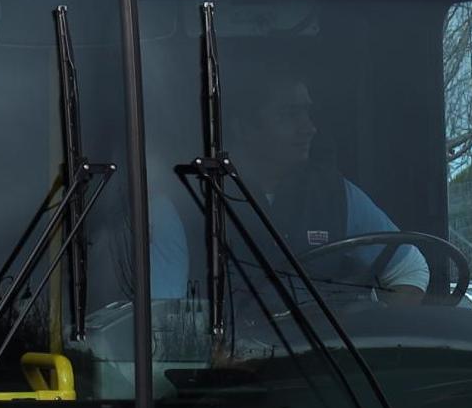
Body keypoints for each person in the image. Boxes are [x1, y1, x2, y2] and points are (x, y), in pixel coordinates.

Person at [151, 71, 429, 305]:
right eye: (289, 115)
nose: (309, 128)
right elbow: (164, 321)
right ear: (243, 127)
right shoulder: (181, 207)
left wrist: (370, 338)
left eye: (307, 113)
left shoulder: (336, 195)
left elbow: (410, 269)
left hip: (334, 366)